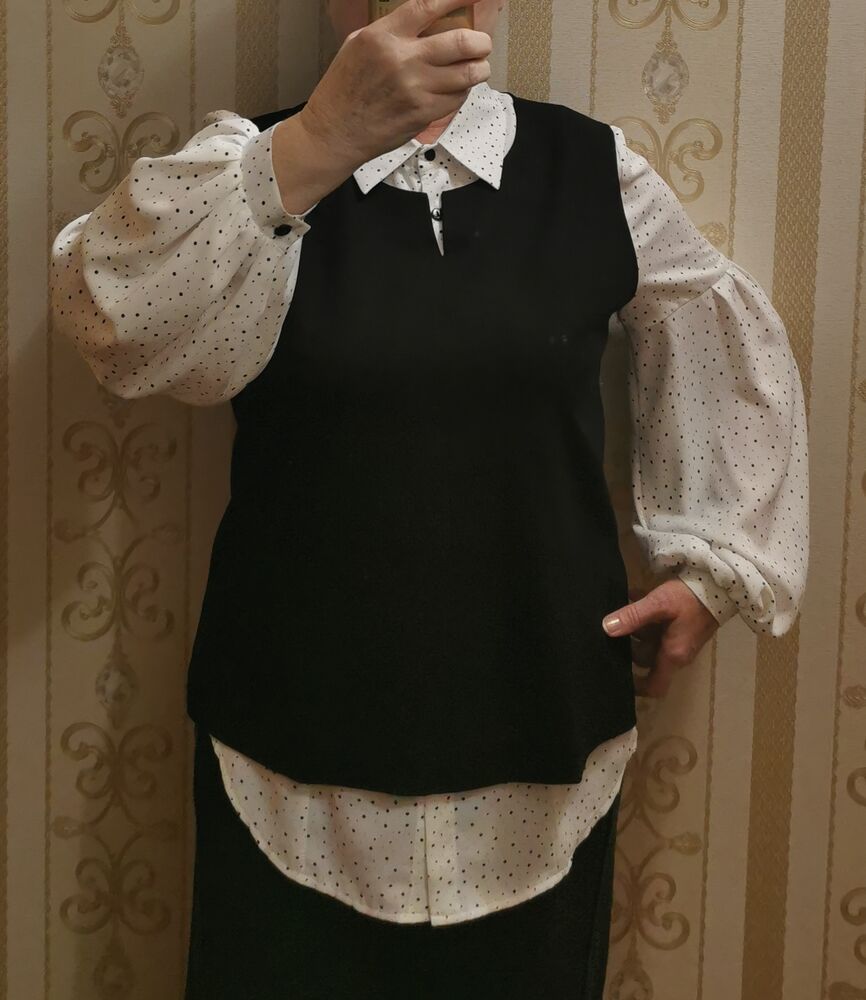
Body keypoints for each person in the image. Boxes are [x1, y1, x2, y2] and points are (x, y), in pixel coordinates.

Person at [49, 0, 810, 995]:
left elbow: (708, 327)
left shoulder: (592, 171)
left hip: (540, 743)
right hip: (287, 756)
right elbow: (111, 322)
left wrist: (715, 563)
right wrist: (317, 142)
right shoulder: (247, 171)